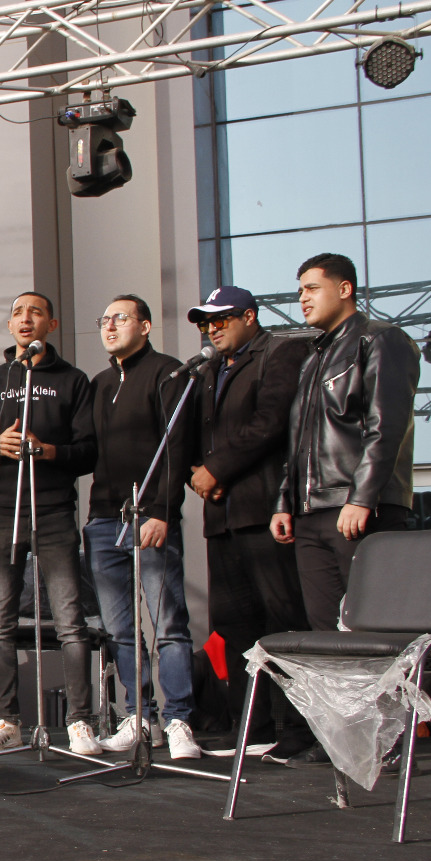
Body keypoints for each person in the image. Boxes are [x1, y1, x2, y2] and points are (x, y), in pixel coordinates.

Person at [0, 293, 99, 755]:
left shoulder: (72, 380)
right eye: (18, 313)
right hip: (4, 511)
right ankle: (7, 720)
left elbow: (89, 451)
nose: (26, 319)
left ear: (51, 325)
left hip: (54, 510)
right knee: (0, 621)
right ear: (9, 326)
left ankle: (80, 721)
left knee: (70, 622)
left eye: (36, 312)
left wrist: (48, 451)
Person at [187, 285, 318, 761]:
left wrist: (217, 470)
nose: (212, 328)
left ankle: (301, 729)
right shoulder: (207, 371)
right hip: (221, 518)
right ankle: (252, 726)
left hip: (264, 511)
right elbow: (193, 439)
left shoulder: (279, 352)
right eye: (206, 322)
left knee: (284, 622)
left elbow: (270, 423)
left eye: (221, 319)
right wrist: (199, 475)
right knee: (235, 627)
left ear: (250, 316)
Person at [271, 253, 421, 631]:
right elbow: (299, 440)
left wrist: (361, 497)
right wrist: (285, 502)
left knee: (375, 626)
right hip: (311, 515)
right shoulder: (313, 359)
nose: (303, 298)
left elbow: (386, 427)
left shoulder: (380, 339)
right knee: (325, 631)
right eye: (300, 291)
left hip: (360, 509)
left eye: (312, 288)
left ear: (344, 289)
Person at [82, 295, 202, 761]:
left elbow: (177, 447)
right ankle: (139, 716)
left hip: (150, 515)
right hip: (104, 519)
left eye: (120, 318)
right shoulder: (99, 383)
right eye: (104, 319)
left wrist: (162, 510)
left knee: (168, 623)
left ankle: (178, 720)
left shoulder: (168, 373)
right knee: (120, 629)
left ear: (145, 326)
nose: (109, 326)